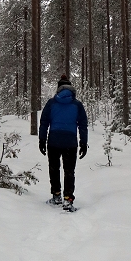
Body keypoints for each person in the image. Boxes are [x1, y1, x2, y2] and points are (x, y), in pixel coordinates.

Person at [38, 74, 88, 211]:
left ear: (58, 88)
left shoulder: (51, 103)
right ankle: (68, 199)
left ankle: (56, 195)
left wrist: (42, 140)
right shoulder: (77, 105)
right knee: (69, 171)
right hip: (70, 142)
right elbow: (83, 125)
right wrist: (84, 143)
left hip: (53, 141)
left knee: (54, 169)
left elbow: (44, 123)